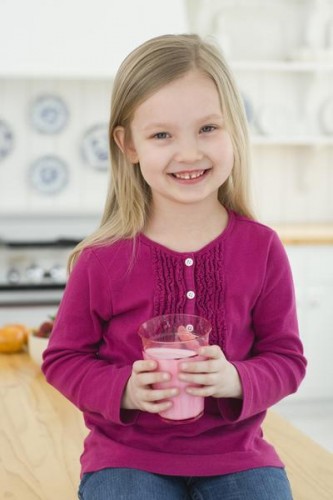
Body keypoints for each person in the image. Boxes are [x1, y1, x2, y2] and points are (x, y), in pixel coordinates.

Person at [42, 34, 307, 500]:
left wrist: (236, 380)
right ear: (128, 145)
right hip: (126, 457)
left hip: (238, 455)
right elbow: (64, 359)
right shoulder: (102, 258)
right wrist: (123, 389)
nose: (189, 153)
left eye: (208, 128)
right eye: (162, 134)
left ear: (233, 129)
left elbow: (287, 359)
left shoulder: (261, 248)